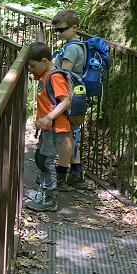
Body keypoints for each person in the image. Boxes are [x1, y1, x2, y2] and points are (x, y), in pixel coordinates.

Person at [25, 42, 72, 212]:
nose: (31, 69)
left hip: (55, 128)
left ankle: (50, 199)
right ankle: (44, 193)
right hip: (48, 128)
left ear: (44, 61)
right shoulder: (44, 73)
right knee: (40, 158)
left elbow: (65, 102)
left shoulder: (54, 76)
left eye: (33, 66)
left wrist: (47, 118)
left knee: (46, 161)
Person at [50, 10, 88, 191]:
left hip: (68, 96)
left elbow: (64, 74)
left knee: (65, 134)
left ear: (74, 28)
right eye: (56, 30)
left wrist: (59, 100)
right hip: (75, 95)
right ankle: (77, 174)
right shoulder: (77, 46)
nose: (59, 34)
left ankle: (60, 176)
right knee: (71, 134)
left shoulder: (72, 48)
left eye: (62, 30)